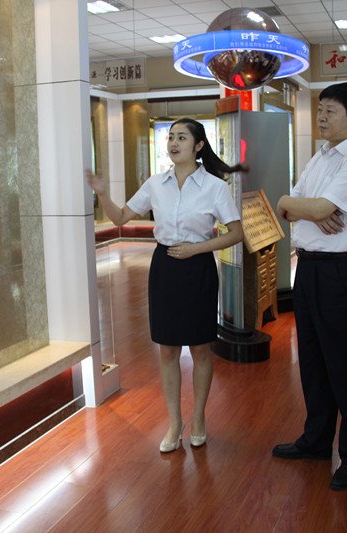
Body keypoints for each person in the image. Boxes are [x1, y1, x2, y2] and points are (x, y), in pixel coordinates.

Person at [85, 118, 244, 453]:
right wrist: (102, 193)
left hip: (198, 267)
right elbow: (120, 218)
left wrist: (197, 249)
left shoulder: (215, 187)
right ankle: (175, 422)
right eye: (171, 137)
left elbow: (235, 233)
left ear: (198, 146)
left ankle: (198, 417)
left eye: (181, 138)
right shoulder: (156, 184)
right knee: (168, 349)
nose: (173, 143)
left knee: (200, 349)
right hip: (165, 268)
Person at [272, 82, 347, 491]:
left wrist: (309, 208)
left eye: (330, 110)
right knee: (314, 361)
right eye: (320, 109)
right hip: (309, 267)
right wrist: (304, 208)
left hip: (343, 268)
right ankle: (316, 440)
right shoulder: (319, 156)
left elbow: (315, 206)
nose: (321, 117)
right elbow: (285, 205)